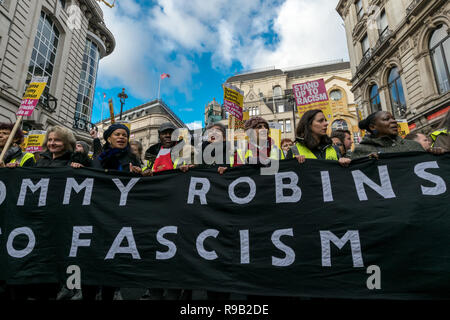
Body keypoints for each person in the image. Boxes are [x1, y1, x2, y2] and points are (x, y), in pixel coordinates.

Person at [350, 111, 443, 159]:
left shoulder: (414, 145)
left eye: (393, 118)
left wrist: (436, 155)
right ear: (373, 127)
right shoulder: (362, 150)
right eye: (387, 119)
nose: (394, 121)